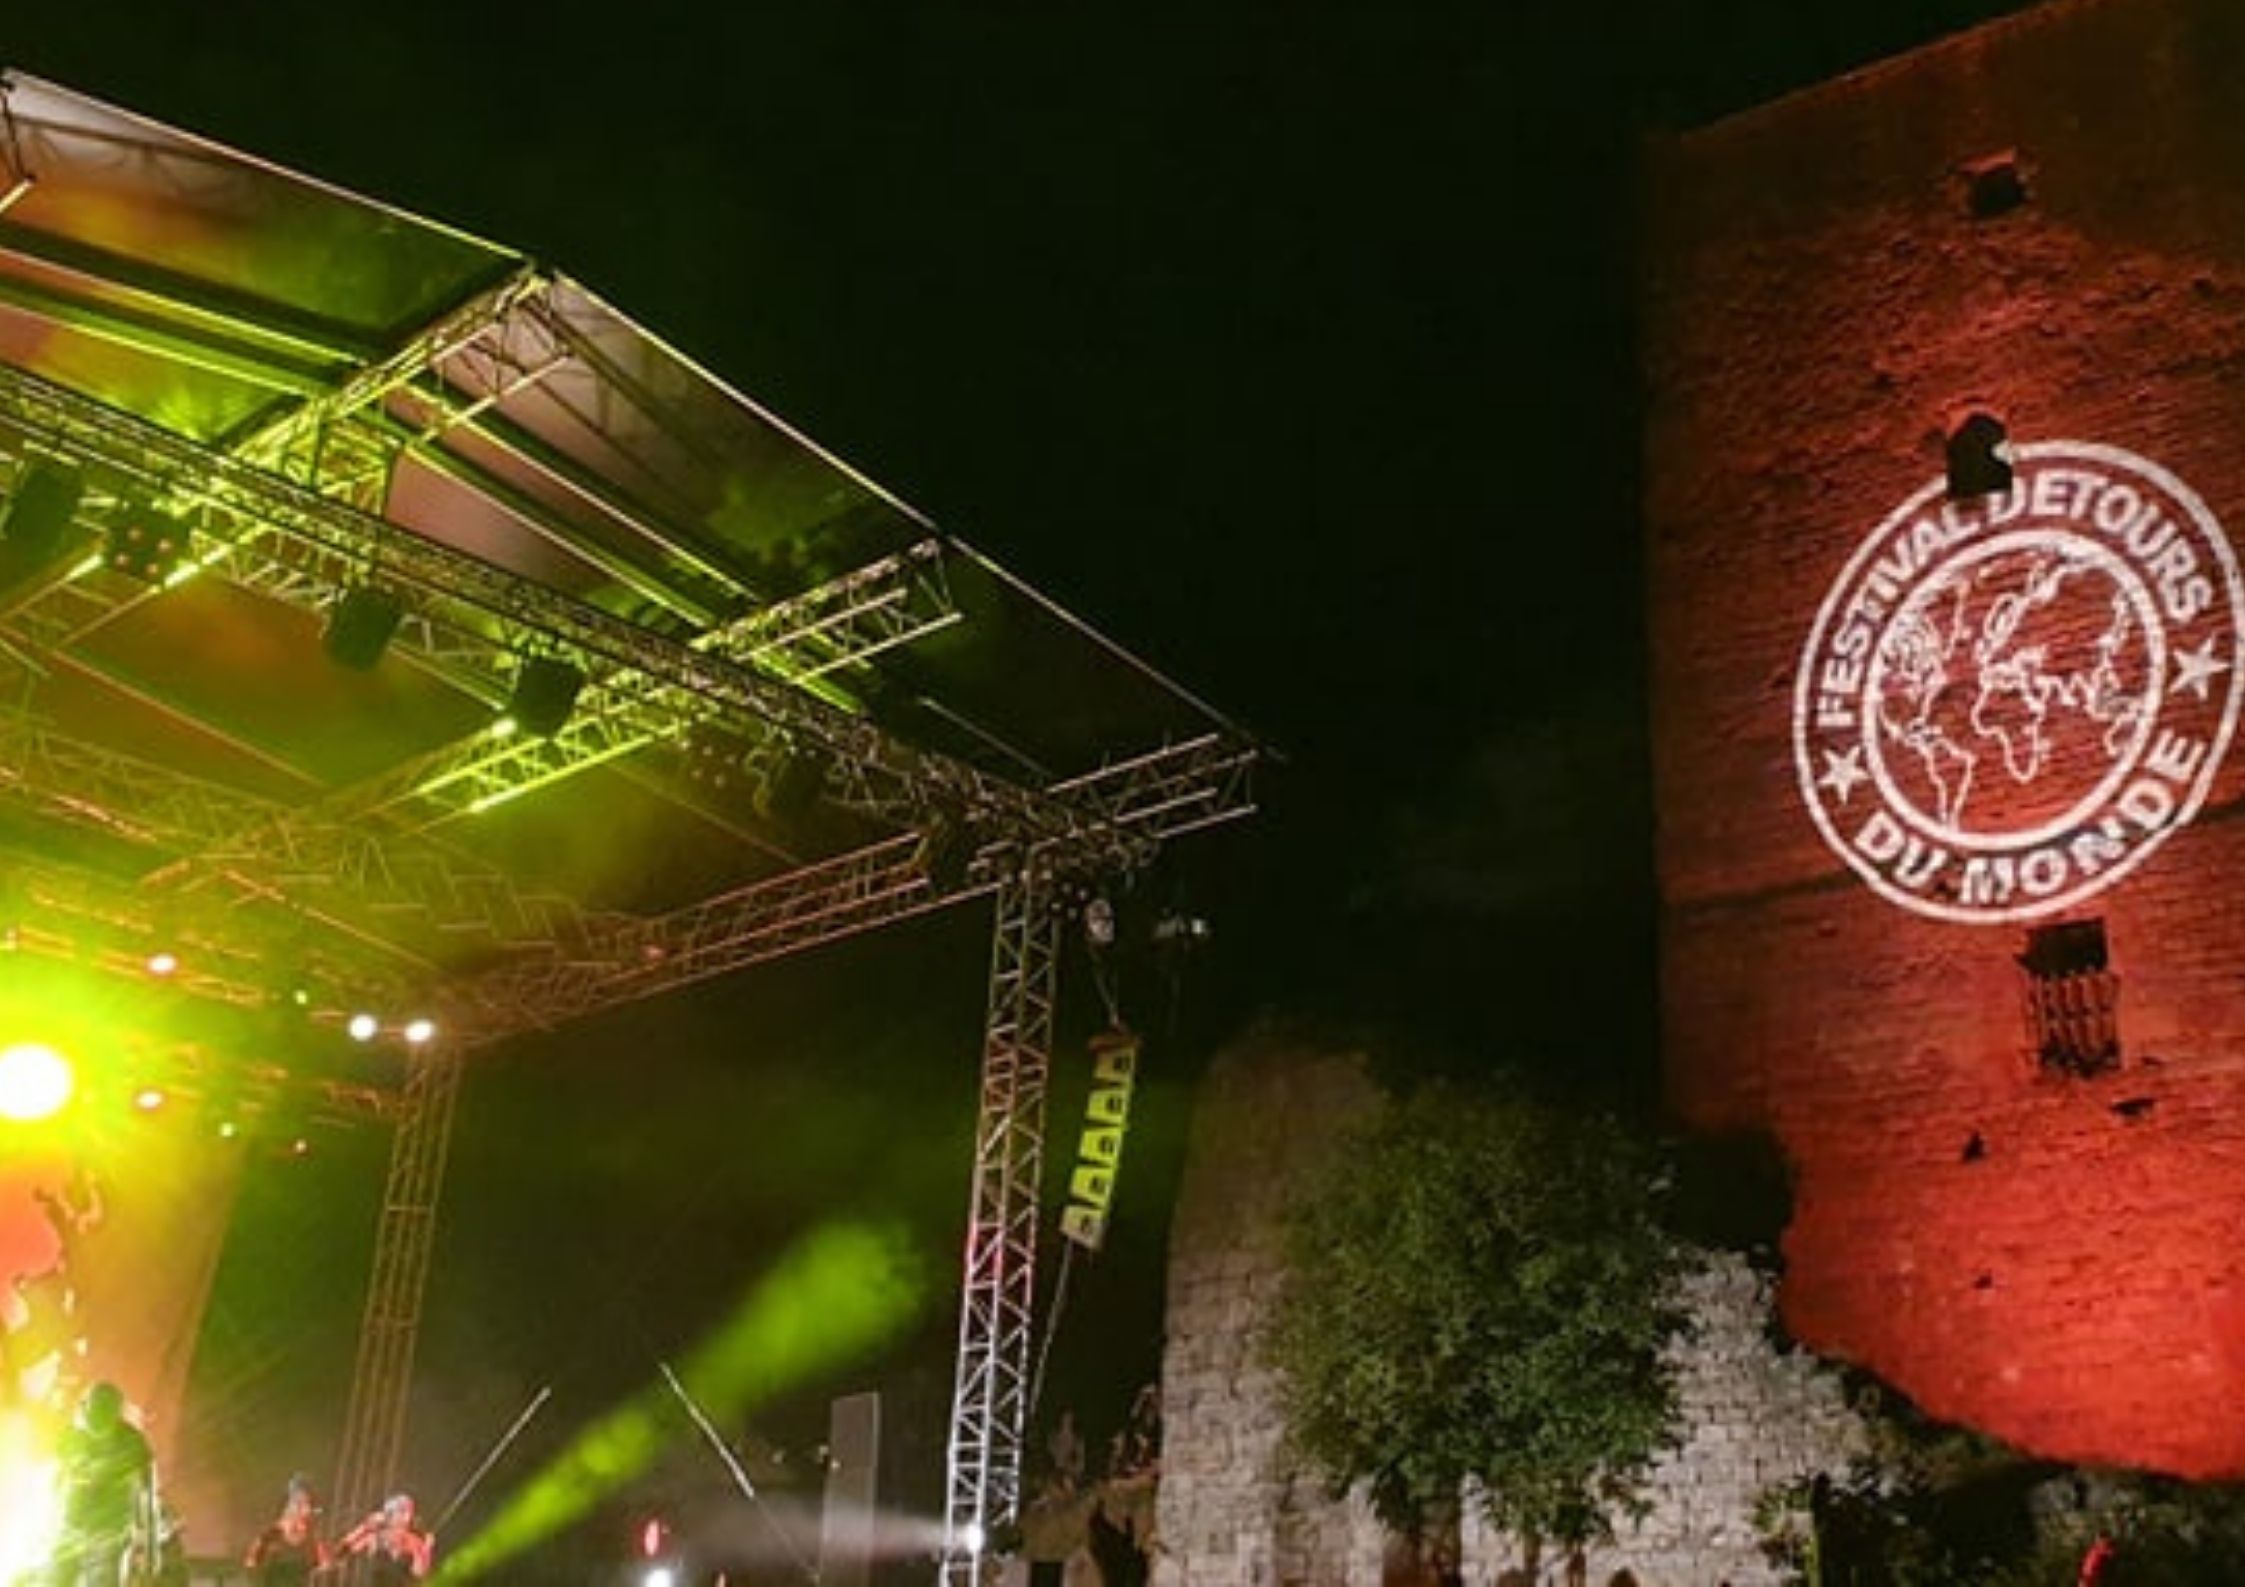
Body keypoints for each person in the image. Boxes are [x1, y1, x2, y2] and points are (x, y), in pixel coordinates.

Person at [46, 1380, 154, 1587]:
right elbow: (55, 1482)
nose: (95, 1419)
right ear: (84, 1407)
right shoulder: (71, 1436)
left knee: (101, 1580)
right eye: (92, 1412)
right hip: (72, 1525)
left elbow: (147, 1494)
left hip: (110, 1530)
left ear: (115, 1412)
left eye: (103, 1412)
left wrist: (149, 1545)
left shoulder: (132, 1442)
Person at [245, 1476, 330, 1587]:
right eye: (303, 1503)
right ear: (291, 1505)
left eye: (309, 1504)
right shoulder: (268, 1538)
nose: (308, 1509)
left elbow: (325, 1565)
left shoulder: (312, 1538)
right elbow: (251, 1567)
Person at [336, 1492, 434, 1583]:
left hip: (392, 1568)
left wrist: (427, 1548)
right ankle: (341, 1556)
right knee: (369, 1538)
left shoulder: (412, 1540)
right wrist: (344, 1547)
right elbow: (359, 1532)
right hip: (380, 1560)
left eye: (406, 1513)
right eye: (402, 1512)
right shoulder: (379, 1525)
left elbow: (420, 1571)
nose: (406, 1517)